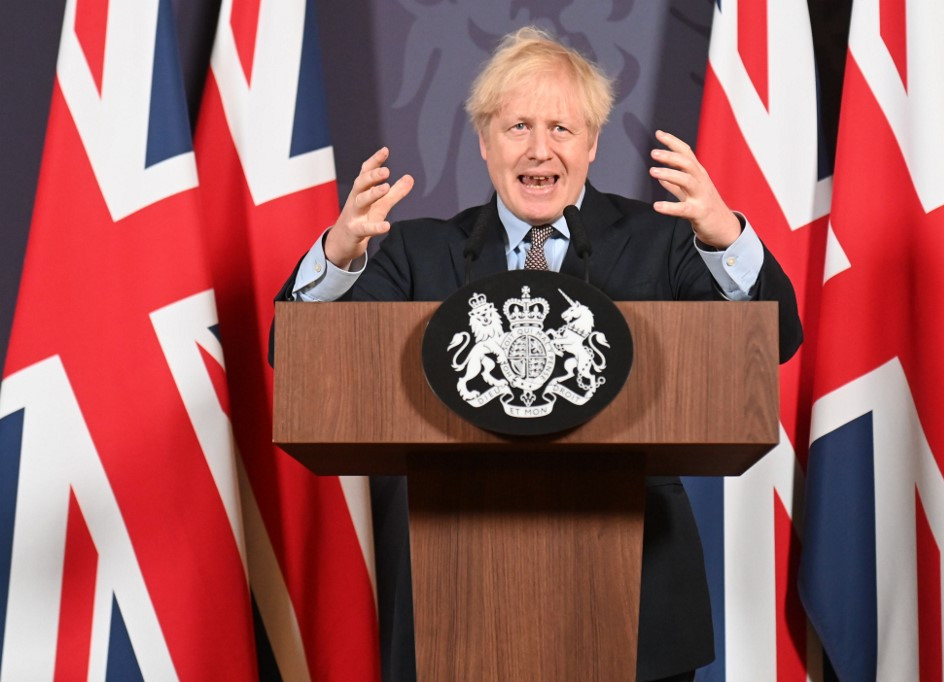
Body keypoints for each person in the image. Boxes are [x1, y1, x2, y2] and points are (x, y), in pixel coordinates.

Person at [276, 26, 801, 682]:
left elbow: (774, 339)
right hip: (456, 600)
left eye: (561, 127)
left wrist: (727, 239)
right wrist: (336, 256)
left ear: (592, 144)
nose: (539, 148)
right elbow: (296, 356)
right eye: (518, 125)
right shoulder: (418, 253)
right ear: (485, 139)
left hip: (639, 599)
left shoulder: (662, 243)